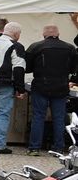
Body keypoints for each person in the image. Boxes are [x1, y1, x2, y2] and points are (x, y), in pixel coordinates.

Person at [22, 25, 77, 154]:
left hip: (40, 86)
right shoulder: (70, 48)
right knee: (59, 118)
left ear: (44, 35)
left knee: (38, 117)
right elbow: (73, 68)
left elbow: (27, 68)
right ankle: (59, 148)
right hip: (61, 87)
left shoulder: (35, 47)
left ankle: (34, 147)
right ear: (58, 34)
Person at [0, 21, 26, 154]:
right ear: (16, 34)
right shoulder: (16, 46)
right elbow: (18, 68)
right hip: (5, 84)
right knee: (2, 115)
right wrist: (20, 89)